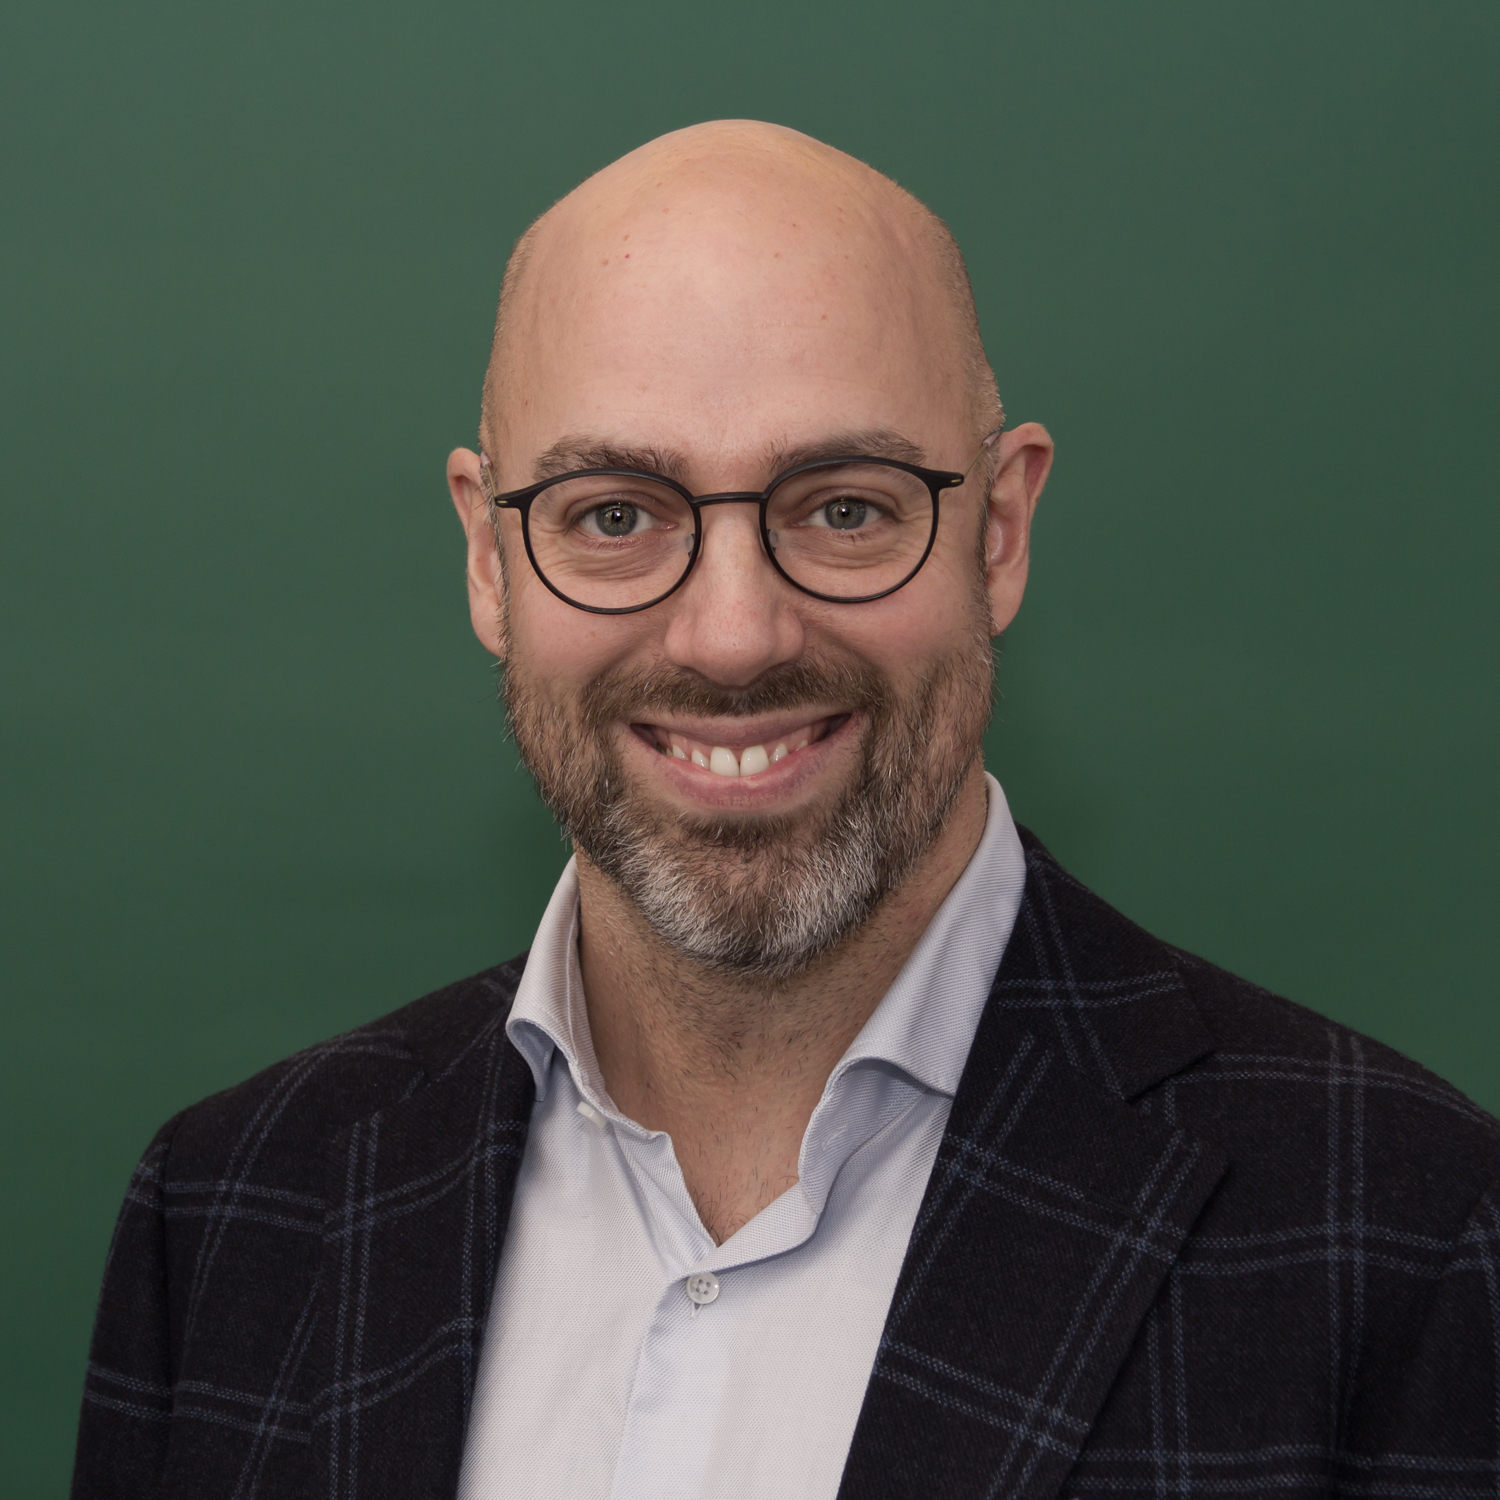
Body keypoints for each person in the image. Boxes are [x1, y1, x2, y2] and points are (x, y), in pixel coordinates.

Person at [73, 121, 1500, 1500]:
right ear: (490, 562)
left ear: (1001, 531)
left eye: (846, 507)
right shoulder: (232, 1215)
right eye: (615, 514)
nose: (734, 638)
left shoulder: (1409, 1238)